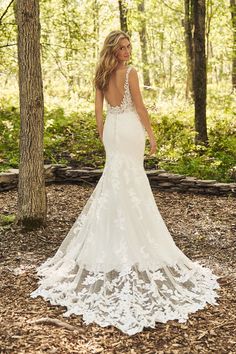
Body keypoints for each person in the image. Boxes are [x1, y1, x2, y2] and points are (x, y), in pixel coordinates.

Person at [31, 30, 220, 336]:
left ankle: (110, 241)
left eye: (129, 46)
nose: (127, 51)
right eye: (123, 47)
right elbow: (141, 108)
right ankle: (135, 239)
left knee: (115, 180)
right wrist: (153, 134)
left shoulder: (102, 73)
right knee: (131, 180)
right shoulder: (130, 73)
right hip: (130, 128)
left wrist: (102, 129)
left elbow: (98, 111)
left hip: (112, 130)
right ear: (115, 50)